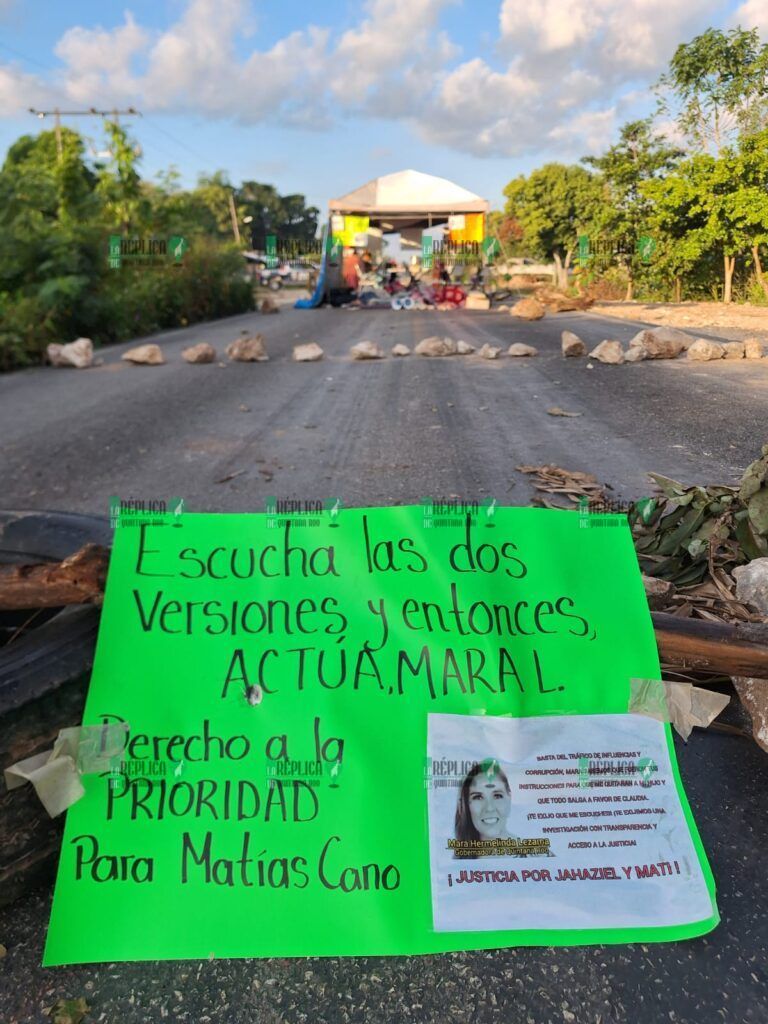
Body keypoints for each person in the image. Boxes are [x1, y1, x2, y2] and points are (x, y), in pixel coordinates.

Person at [455, 759, 516, 845]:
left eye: (497, 796)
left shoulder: (531, 854)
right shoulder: (457, 856)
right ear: (464, 806)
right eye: (478, 797)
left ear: (509, 799)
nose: (489, 808)